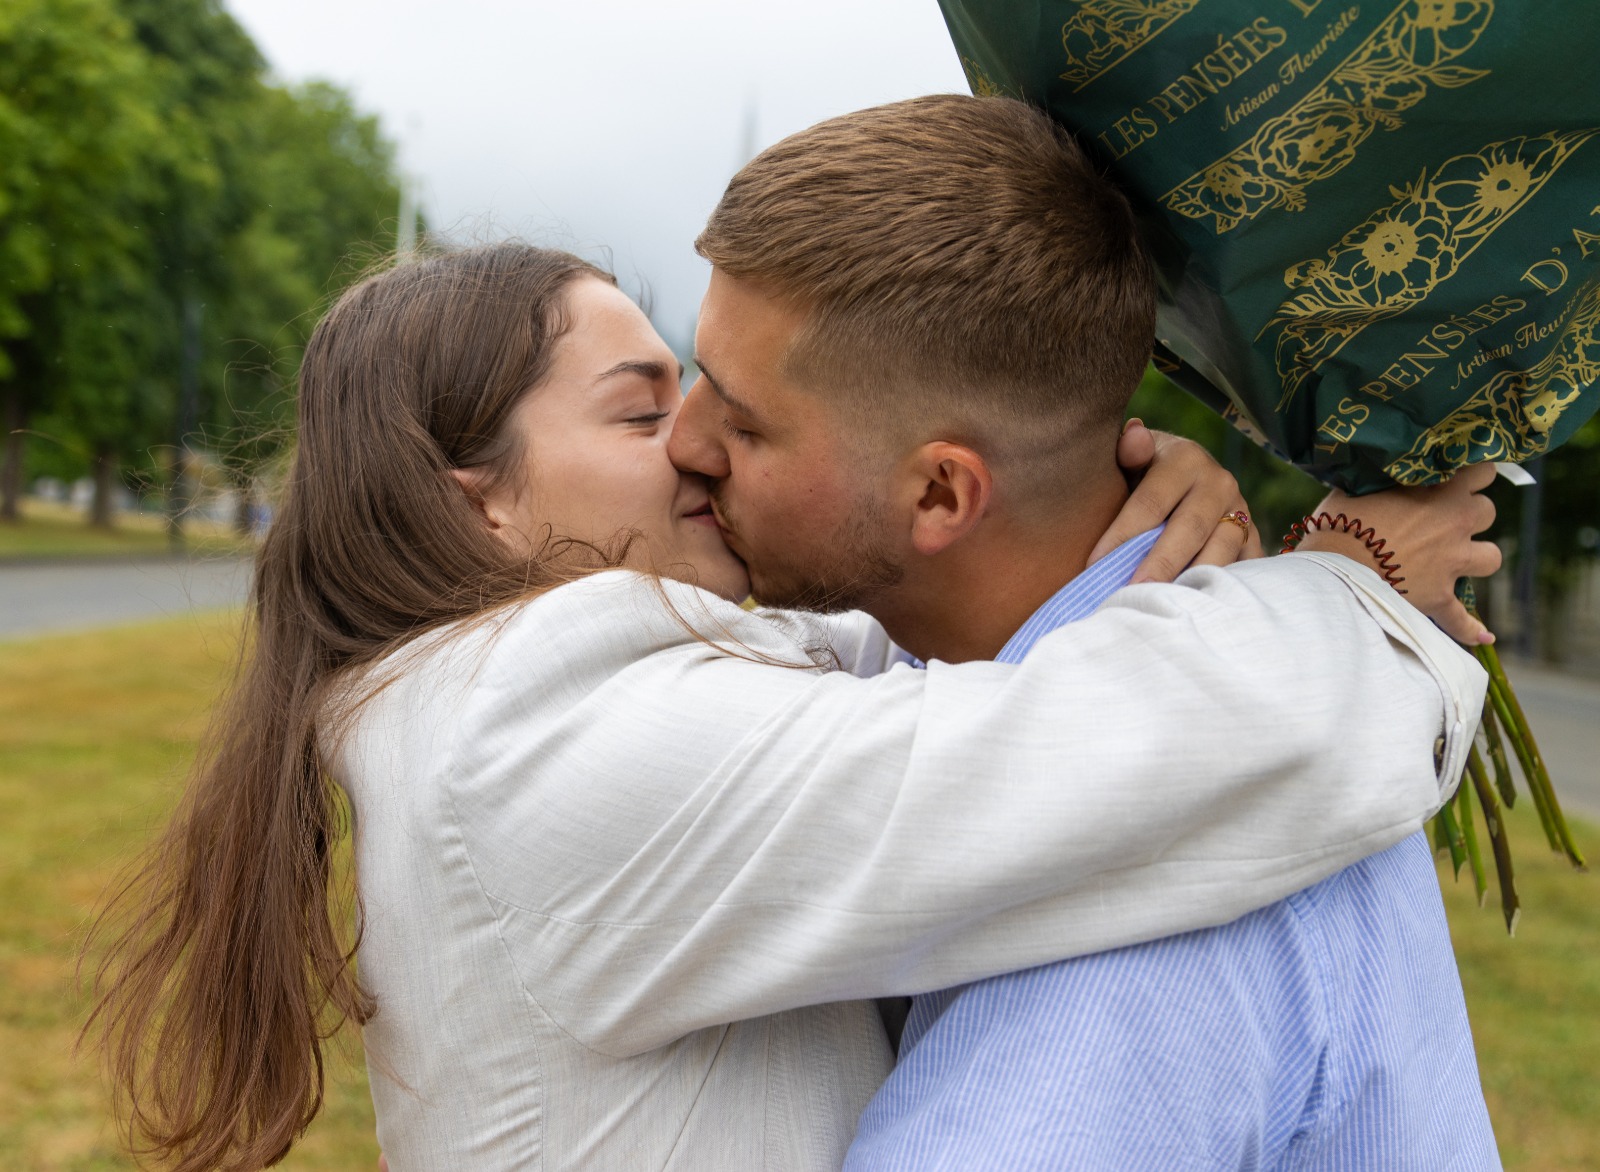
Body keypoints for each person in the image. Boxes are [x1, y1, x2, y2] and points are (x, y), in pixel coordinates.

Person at [87, 238, 1487, 1172]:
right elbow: (1057, 764)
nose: (699, 441)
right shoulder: (527, 742)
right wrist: (1358, 583)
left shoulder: (543, 705)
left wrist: (1106, 517)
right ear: (484, 501)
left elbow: (934, 656)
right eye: (643, 416)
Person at [665, 95, 1501, 1169]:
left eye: (742, 422)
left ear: (939, 495)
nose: (682, 443)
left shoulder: (1139, 891)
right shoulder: (1223, 681)